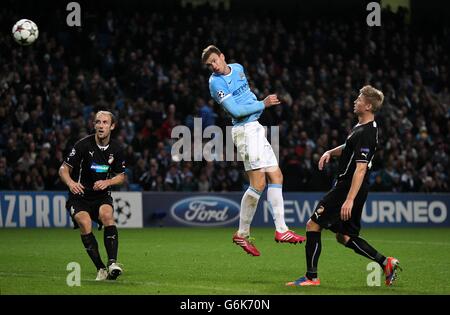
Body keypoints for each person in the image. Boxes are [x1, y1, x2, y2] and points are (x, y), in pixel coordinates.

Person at [286, 85, 401, 287]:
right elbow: (348, 147)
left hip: (348, 187)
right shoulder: (362, 128)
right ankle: (386, 262)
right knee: (345, 236)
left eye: (358, 99)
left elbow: (361, 168)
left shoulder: (366, 132)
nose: (355, 101)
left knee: (313, 225)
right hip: (355, 187)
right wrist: (330, 152)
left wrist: (349, 199)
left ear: (367, 106)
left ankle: (311, 277)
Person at [202, 45, 305, 256]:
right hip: (244, 130)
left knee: (276, 175)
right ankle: (243, 233)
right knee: (258, 183)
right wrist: (263, 104)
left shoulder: (238, 68)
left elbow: (245, 96)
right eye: (209, 65)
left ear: (223, 56)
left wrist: (258, 105)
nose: (213, 66)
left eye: (214, 60)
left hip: (255, 128)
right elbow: (236, 111)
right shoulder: (215, 82)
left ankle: (281, 230)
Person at [59, 111, 126, 281]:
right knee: (85, 222)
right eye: (98, 122)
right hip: (80, 196)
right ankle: (100, 268)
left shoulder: (117, 148)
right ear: (94, 125)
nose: (100, 125)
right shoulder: (83, 145)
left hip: (101, 195)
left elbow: (121, 175)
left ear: (112, 126)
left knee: (107, 215)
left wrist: (107, 182)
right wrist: (71, 183)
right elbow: (63, 169)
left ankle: (112, 264)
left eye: (105, 122)